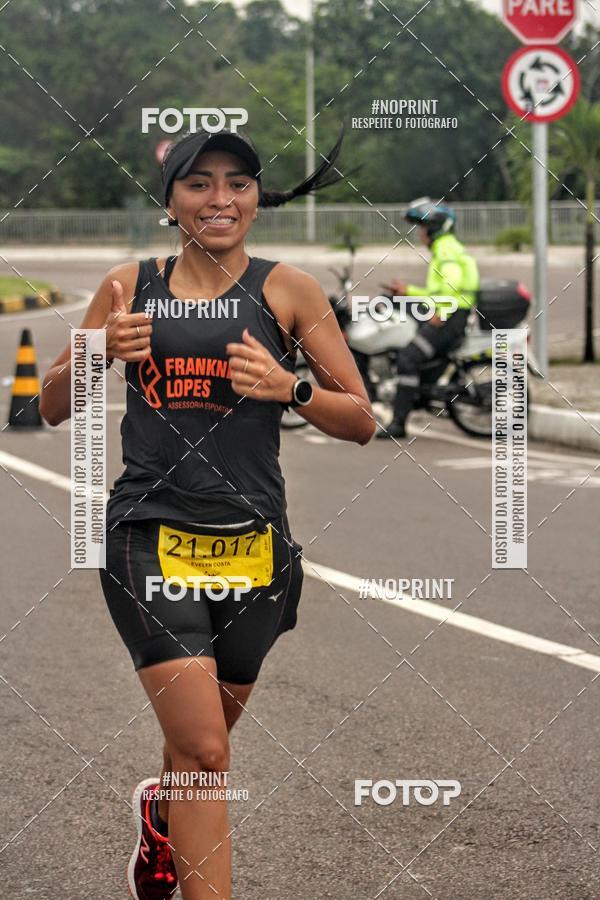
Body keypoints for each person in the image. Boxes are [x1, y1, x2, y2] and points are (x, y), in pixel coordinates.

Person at [39, 126, 374, 900]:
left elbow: (361, 418)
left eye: (237, 183)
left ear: (257, 198)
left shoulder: (288, 290)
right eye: (199, 183)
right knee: (205, 753)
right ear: (171, 202)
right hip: (148, 537)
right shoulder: (130, 286)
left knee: (199, 749)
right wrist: (97, 352)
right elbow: (49, 407)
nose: (219, 199)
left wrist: (288, 388)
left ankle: (164, 819)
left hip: (254, 547)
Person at [377, 197, 480, 439]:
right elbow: (438, 291)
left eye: (422, 228)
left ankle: (398, 423)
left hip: (449, 318)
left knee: (408, 358)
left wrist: (441, 311)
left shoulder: (446, 249)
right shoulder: (445, 247)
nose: (420, 234)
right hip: (450, 313)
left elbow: (451, 287)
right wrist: (407, 292)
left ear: (434, 228)